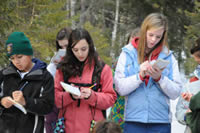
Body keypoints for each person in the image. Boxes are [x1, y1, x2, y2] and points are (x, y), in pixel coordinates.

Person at [114, 13, 182, 133]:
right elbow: (120, 88)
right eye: (151, 35)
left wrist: (159, 78)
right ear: (144, 30)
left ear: (163, 36)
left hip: (160, 122)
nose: (153, 40)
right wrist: (139, 76)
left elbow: (176, 92)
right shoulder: (127, 53)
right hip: (133, 120)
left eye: (158, 36)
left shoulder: (169, 57)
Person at [54, 28, 117, 133]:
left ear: (90, 46)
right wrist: (69, 95)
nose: (80, 54)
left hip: (94, 128)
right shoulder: (62, 68)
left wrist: (92, 96)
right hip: (67, 128)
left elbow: (110, 99)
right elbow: (55, 99)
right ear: (70, 49)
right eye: (75, 50)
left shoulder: (102, 69)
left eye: (83, 49)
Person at [0, 32, 54, 133]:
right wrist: (2, 101)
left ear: (29, 54)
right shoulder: (4, 74)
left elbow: (48, 106)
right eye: (12, 58)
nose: (16, 61)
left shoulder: (44, 77)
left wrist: (26, 102)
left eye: (19, 57)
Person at [109, 27, 140, 130]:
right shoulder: (119, 61)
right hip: (120, 109)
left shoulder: (146, 61)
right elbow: (112, 85)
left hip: (138, 111)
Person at [45, 27, 72, 133]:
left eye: (66, 46)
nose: (64, 50)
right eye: (61, 47)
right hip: (55, 112)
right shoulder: (54, 64)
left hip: (75, 112)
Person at [176, 37, 200, 133]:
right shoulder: (191, 83)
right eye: (197, 57)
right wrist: (187, 116)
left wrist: (194, 100)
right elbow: (180, 110)